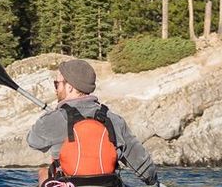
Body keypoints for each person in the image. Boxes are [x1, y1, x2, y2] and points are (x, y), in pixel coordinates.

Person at [27, 59, 158, 186]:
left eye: (57, 84)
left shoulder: (53, 119)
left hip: (68, 183)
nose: (56, 89)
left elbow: (33, 141)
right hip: (108, 184)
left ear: (70, 87)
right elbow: (140, 161)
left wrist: (51, 118)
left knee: (43, 173)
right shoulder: (114, 119)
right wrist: (153, 182)